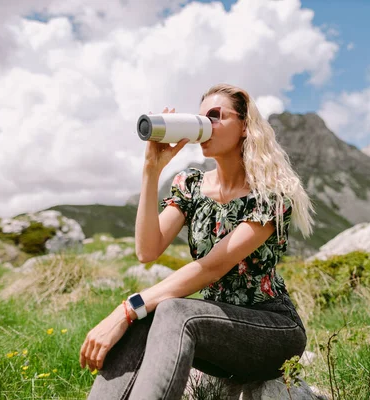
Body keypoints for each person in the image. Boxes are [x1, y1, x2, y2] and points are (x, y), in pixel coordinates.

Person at [81, 83, 315, 400]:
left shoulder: (271, 194)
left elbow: (211, 269)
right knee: (148, 315)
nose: (206, 125)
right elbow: (147, 250)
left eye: (216, 116)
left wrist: (126, 308)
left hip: (273, 331)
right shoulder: (190, 184)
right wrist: (152, 168)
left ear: (245, 126)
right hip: (216, 328)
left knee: (168, 310)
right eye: (202, 117)